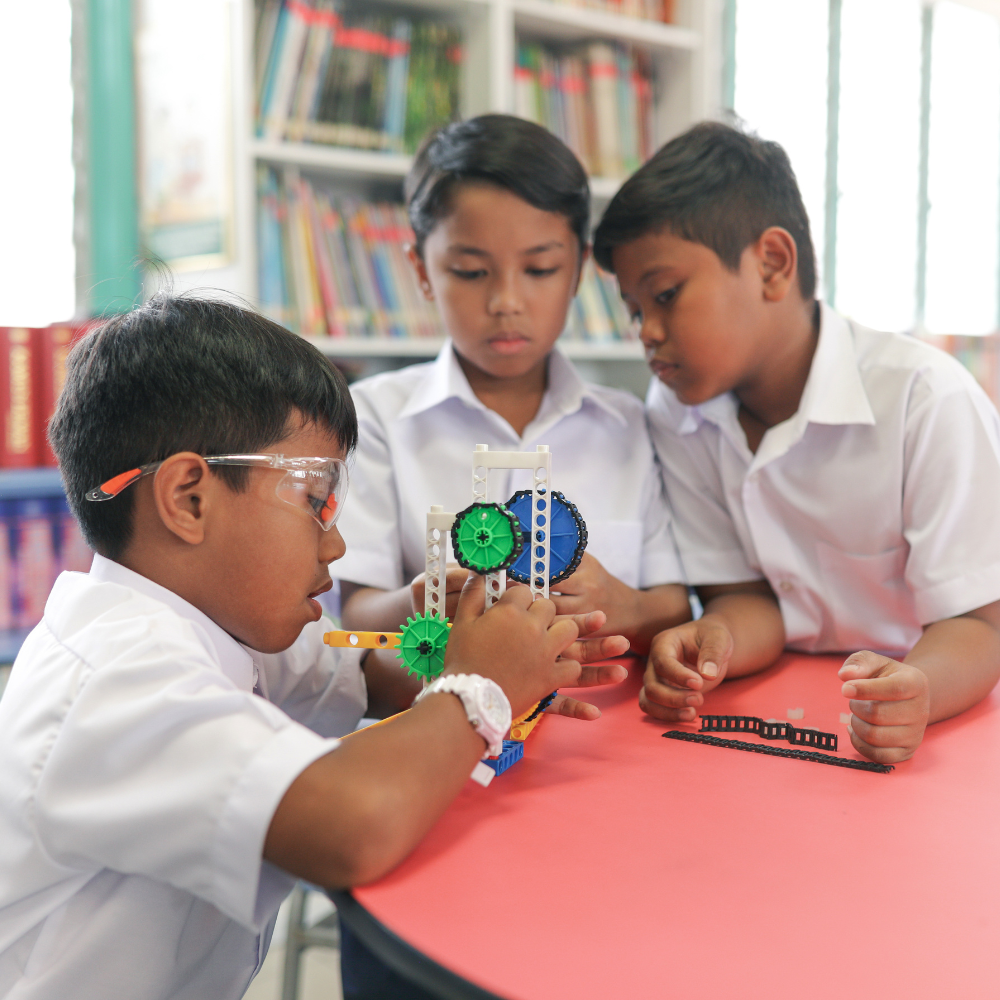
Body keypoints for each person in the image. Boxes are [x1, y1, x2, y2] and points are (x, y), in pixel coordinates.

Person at [0, 295, 627, 1000]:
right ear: (189, 499)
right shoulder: (119, 681)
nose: (335, 542)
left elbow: (362, 672)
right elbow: (351, 823)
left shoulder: (202, 627)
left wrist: (483, 652)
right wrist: (480, 688)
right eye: (315, 500)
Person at [592, 120, 1000, 765]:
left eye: (666, 295)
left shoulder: (926, 400)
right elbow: (749, 599)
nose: (647, 332)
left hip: (936, 713)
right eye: (636, 309)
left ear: (772, 265)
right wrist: (711, 640)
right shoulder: (677, 412)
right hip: (781, 712)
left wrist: (917, 690)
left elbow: (977, 625)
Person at [336, 114, 690, 712]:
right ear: (421, 270)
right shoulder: (372, 419)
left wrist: (624, 603)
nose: (506, 301)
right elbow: (357, 613)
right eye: (470, 272)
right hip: (442, 730)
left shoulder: (632, 427)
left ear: (579, 268)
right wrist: (422, 600)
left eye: (540, 269)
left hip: (603, 738)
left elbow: (673, 603)